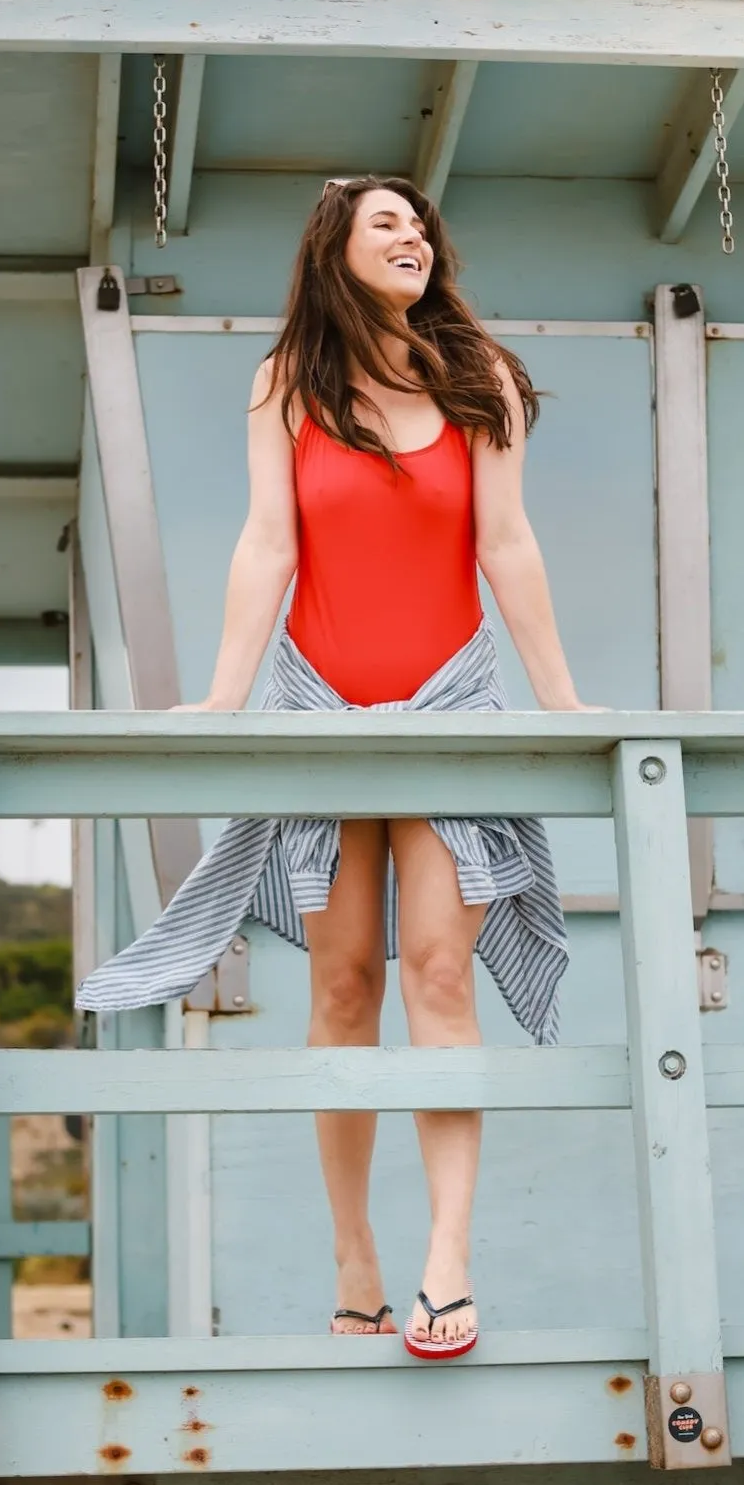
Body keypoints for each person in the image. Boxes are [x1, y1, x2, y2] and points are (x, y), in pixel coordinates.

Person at [76, 175, 596, 1360]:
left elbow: (505, 543)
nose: (413, 237)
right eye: (386, 224)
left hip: (450, 709)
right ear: (335, 251)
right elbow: (270, 541)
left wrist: (562, 699)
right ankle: (355, 1250)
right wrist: (220, 691)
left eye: (420, 226)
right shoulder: (286, 385)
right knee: (344, 987)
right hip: (319, 707)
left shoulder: (484, 384)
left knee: (438, 976)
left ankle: (447, 1258)